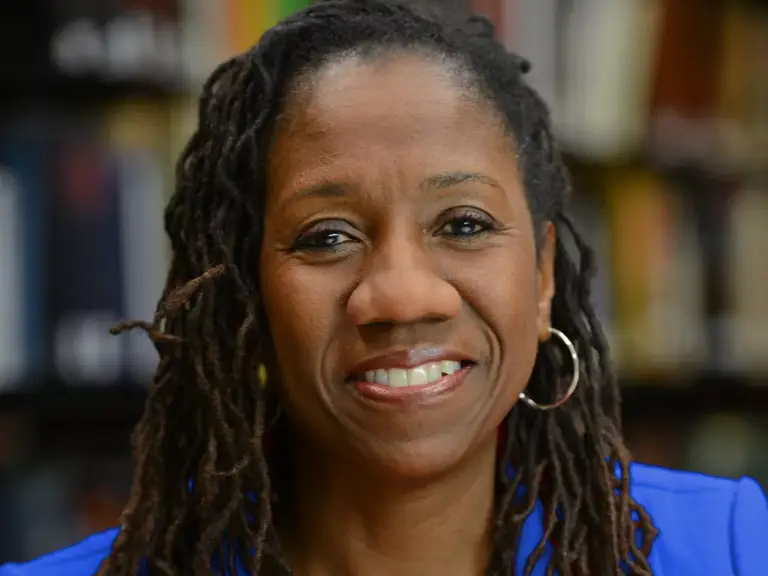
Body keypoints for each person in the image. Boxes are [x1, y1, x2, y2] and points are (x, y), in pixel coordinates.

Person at [3, 1, 767, 574]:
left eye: (463, 224)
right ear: (247, 299)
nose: (402, 296)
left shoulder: (730, 549)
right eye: (327, 237)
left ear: (540, 281)